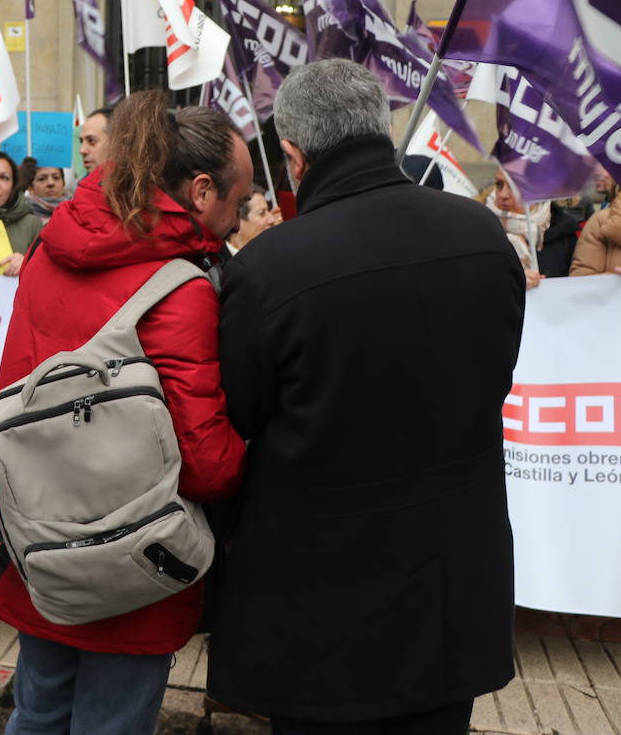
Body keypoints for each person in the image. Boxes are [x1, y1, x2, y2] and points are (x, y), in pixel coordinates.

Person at [210, 59, 525, 734]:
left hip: (321, 602)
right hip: (449, 585)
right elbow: (493, 377)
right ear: (380, 130)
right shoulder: (481, 237)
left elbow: (239, 421)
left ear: (294, 157)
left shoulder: (268, 269)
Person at [0, 91, 251, 734]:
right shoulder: (181, 287)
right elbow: (206, 463)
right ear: (198, 192)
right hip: (132, 552)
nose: (241, 219)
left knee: (38, 711)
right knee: (111, 724)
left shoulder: (49, 249)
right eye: (238, 204)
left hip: (37, 532)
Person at [484, 171, 579, 286]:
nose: (502, 195)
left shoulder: (565, 234)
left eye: (515, 186)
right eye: (499, 184)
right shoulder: (478, 229)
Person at [225, 182, 281, 254]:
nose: (272, 219)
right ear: (237, 221)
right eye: (262, 213)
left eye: (268, 210)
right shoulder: (220, 260)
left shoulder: (271, 253)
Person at [77, 105, 113, 173]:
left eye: (91, 141)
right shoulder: (79, 183)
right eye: (81, 141)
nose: (82, 150)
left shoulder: (134, 183)